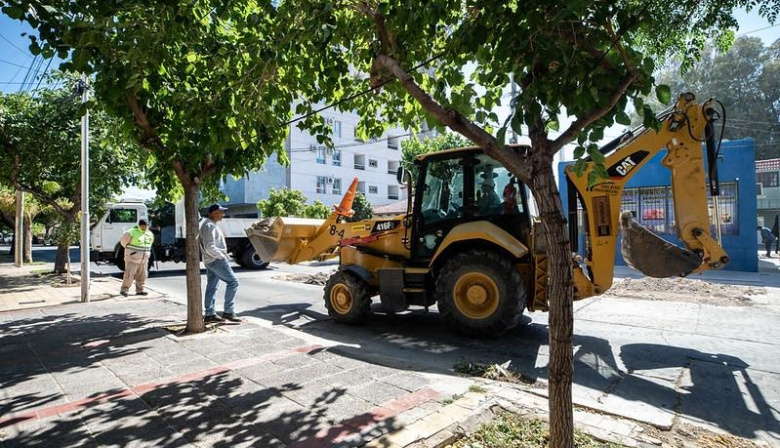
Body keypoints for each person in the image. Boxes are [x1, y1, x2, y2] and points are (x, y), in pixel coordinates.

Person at [200, 204, 241, 323]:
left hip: (210, 260)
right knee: (233, 282)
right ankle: (228, 312)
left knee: (212, 287)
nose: (223, 214)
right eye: (220, 212)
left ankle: (209, 314)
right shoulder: (209, 226)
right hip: (216, 260)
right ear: (213, 213)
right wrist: (222, 256)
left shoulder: (209, 224)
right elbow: (210, 247)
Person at [119, 219, 154, 297]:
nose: (145, 228)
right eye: (143, 226)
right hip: (132, 258)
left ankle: (140, 290)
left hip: (144, 260)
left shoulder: (149, 234)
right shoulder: (131, 232)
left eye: (146, 226)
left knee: (143, 275)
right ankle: (124, 290)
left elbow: (150, 244)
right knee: (129, 275)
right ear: (140, 225)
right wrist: (131, 252)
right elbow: (123, 242)